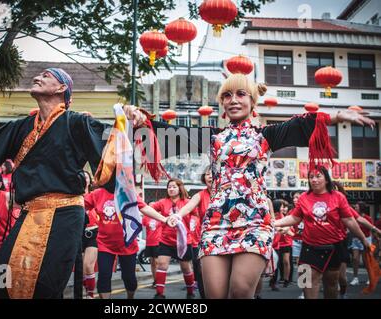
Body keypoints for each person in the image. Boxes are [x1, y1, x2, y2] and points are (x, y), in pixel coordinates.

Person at [0, 68, 147, 298]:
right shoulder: (21, 128)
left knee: (45, 285)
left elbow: (111, 143)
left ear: (61, 88)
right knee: (3, 278)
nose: (37, 77)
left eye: (45, 76)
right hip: (28, 215)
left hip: (65, 213)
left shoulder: (76, 123)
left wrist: (127, 121)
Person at [159, 73, 374, 299]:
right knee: (215, 295)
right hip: (216, 223)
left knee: (241, 291)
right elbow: (167, 133)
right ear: (222, 103)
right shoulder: (213, 137)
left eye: (241, 94)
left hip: (254, 222)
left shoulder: (266, 136)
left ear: (252, 101)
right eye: (227, 95)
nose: (233, 100)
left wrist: (338, 115)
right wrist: (137, 121)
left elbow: (300, 124)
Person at [274, 166, 370, 299]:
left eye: (318, 176)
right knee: (305, 280)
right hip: (309, 246)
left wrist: (363, 239)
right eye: (311, 177)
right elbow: (295, 217)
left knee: (331, 282)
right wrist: (274, 223)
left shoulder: (338, 196)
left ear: (326, 179)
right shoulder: (304, 197)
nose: (314, 179)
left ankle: (341, 293)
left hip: (334, 246)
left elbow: (349, 220)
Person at [84, 186, 171, 299]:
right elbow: (80, 203)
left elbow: (144, 208)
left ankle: (130, 297)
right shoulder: (97, 193)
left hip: (127, 243)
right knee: (104, 276)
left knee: (129, 278)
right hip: (105, 243)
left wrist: (165, 219)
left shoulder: (128, 193)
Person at [151, 179, 196, 299]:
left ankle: (190, 292)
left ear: (180, 188)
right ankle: (159, 294)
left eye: (174, 187)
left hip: (184, 241)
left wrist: (193, 224)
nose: (171, 189)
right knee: (161, 264)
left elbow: (196, 215)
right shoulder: (162, 202)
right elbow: (150, 209)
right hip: (166, 240)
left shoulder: (187, 202)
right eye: (169, 187)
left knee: (185, 267)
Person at [175, 166, 212, 299]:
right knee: (203, 272)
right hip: (207, 241)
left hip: (229, 240)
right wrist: (177, 215)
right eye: (207, 174)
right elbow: (188, 207)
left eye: (213, 173)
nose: (210, 176)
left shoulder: (229, 193)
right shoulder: (200, 195)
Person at [73, 170, 97, 299]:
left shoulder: (94, 195)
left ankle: (90, 295)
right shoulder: (75, 196)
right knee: (81, 270)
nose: (85, 179)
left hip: (92, 232)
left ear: (90, 181)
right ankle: (84, 290)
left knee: (88, 265)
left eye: (87, 177)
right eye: (83, 177)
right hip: (78, 233)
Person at [349, 202, 374, 286]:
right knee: (355, 258)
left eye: (356, 207)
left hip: (366, 239)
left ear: (361, 208)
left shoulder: (368, 218)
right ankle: (355, 278)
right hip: (356, 239)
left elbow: (371, 230)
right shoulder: (353, 217)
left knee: (366, 260)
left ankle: (370, 277)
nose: (355, 208)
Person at [142, 212, 163, 289]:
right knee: (152, 263)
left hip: (158, 242)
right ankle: (155, 281)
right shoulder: (145, 218)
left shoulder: (160, 217)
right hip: (149, 243)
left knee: (157, 262)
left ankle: (159, 282)